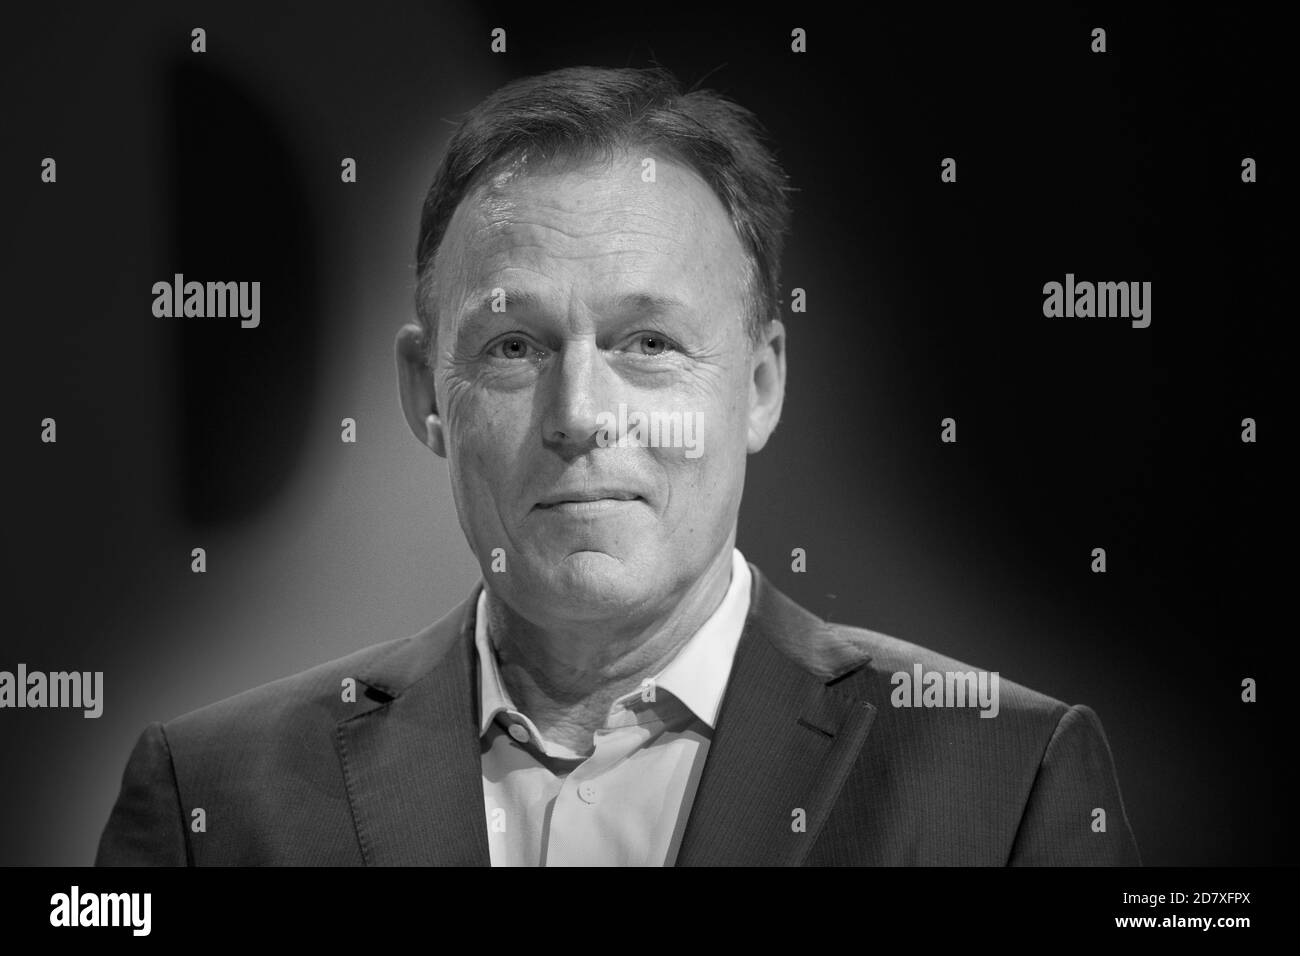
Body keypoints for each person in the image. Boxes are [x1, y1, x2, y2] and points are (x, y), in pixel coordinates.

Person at [96, 65, 1140, 866]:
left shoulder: (1008, 779)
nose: (580, 415)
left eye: (647, 343)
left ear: (763, 382)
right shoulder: (215, 798)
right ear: (425, 395)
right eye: (513, 347)